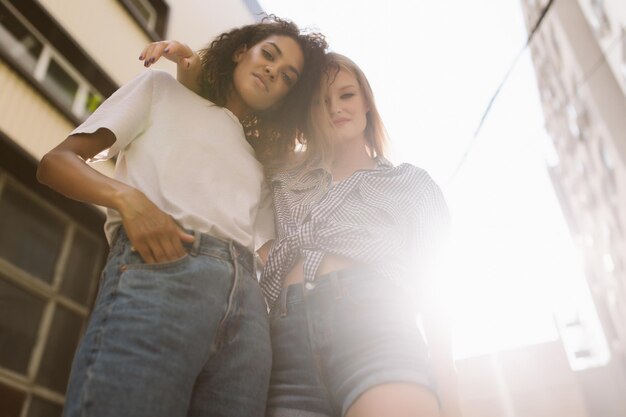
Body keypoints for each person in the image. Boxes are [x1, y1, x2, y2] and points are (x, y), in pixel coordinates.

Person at [37, 16, 327, 417]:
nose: (272, 71)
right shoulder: (161, 91)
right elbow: (56, 163)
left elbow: (271, 255)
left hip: (248, 319)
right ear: (242, 52)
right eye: (269, 55)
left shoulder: (262, 166)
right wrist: (128, 200)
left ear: (283, 98)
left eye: (287, 76)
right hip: (164, 273)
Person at [146, 48, 461, 416]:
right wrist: (193, 70)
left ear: (367, 104)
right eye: (319, 102)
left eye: (346, 95)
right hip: (286, 341)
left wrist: (449, 391)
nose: (335, 108)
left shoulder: (409, 182)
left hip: (378, 327)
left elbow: (436, 298)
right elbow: (226, 126)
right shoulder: (280, 178)